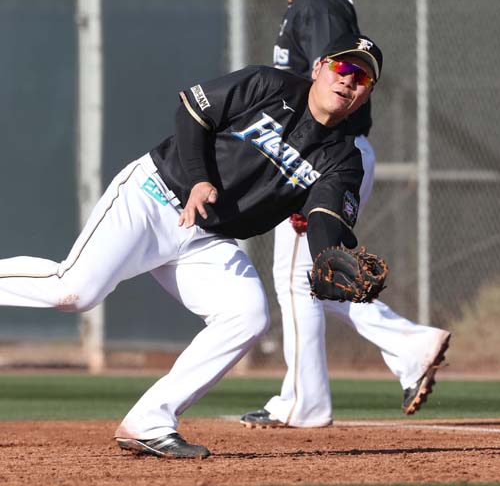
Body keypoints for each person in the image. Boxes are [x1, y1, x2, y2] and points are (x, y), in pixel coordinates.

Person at [0, 33, 385, 458]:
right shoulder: (269, 85)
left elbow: (325, 217)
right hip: (153, 195)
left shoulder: (344, 158)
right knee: (74, 291)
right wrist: (200, 178)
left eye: (362, 78)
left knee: (247, 316)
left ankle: (149, 421)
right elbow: (193, 110)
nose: (348, 80)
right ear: (318, 68)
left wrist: (327, 257)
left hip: (208, 239)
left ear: (367, 94)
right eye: (342, 67)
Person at [240, 0, 450, 429]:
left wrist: (315, 175)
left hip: (327, 154)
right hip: (325, 152)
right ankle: (407, 348)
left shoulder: (318, 3)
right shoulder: (311, 2)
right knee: (315, 278)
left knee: (298, 278)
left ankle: (307, 400)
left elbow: (341, 84)